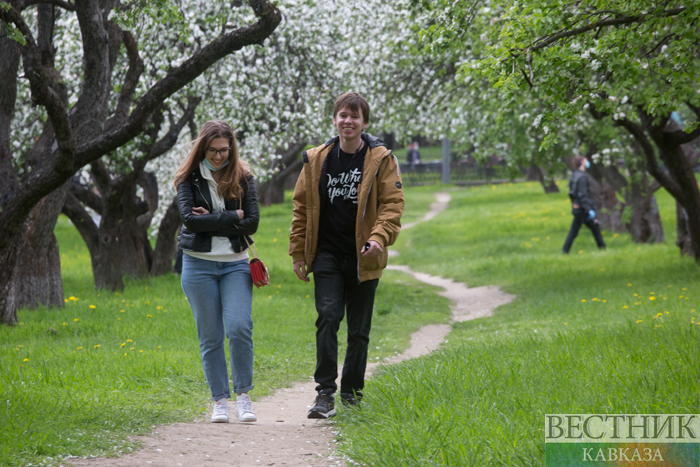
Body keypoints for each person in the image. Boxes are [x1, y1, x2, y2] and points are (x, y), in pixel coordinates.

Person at [289, 92, 405, 419]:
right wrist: (298, 252)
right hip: (327, 253)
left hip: (364, 255)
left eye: (354, 116)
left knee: (358, 330)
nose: (348, 121)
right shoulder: (316, 160)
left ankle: (352, 395)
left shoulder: (382, 159)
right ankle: (324, 393)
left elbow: (392, 205)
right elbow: (302, 207)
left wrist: (378, 237)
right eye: (343, 115)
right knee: (327, 317)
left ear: (364, 123)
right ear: (335, 120)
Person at [175, 120, 259, 423]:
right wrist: (230, 216)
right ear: (202, 148)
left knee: (239, 327)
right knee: (210, 336)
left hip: (236, 263)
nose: (219, 155)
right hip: (198, 265)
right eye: (213, 150)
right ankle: (220, 400)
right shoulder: (188, 178)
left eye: (224, 150)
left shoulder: (244, 177)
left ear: (232, 148)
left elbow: (252, 223)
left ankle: (244, 397)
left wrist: (210, 219)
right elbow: (190, 220)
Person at [562, 155, 606, 253]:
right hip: (582, 209)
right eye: (585, 160)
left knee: (595, 228)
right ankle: (565, 251)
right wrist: (588, 209)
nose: (587, 162)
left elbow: (572, 192)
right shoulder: (582, 177)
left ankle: (603, 248)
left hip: (579, 207)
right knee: (574, 231)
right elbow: (582, 194)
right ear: (582, 162)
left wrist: (575, 203)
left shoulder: (575, 175)